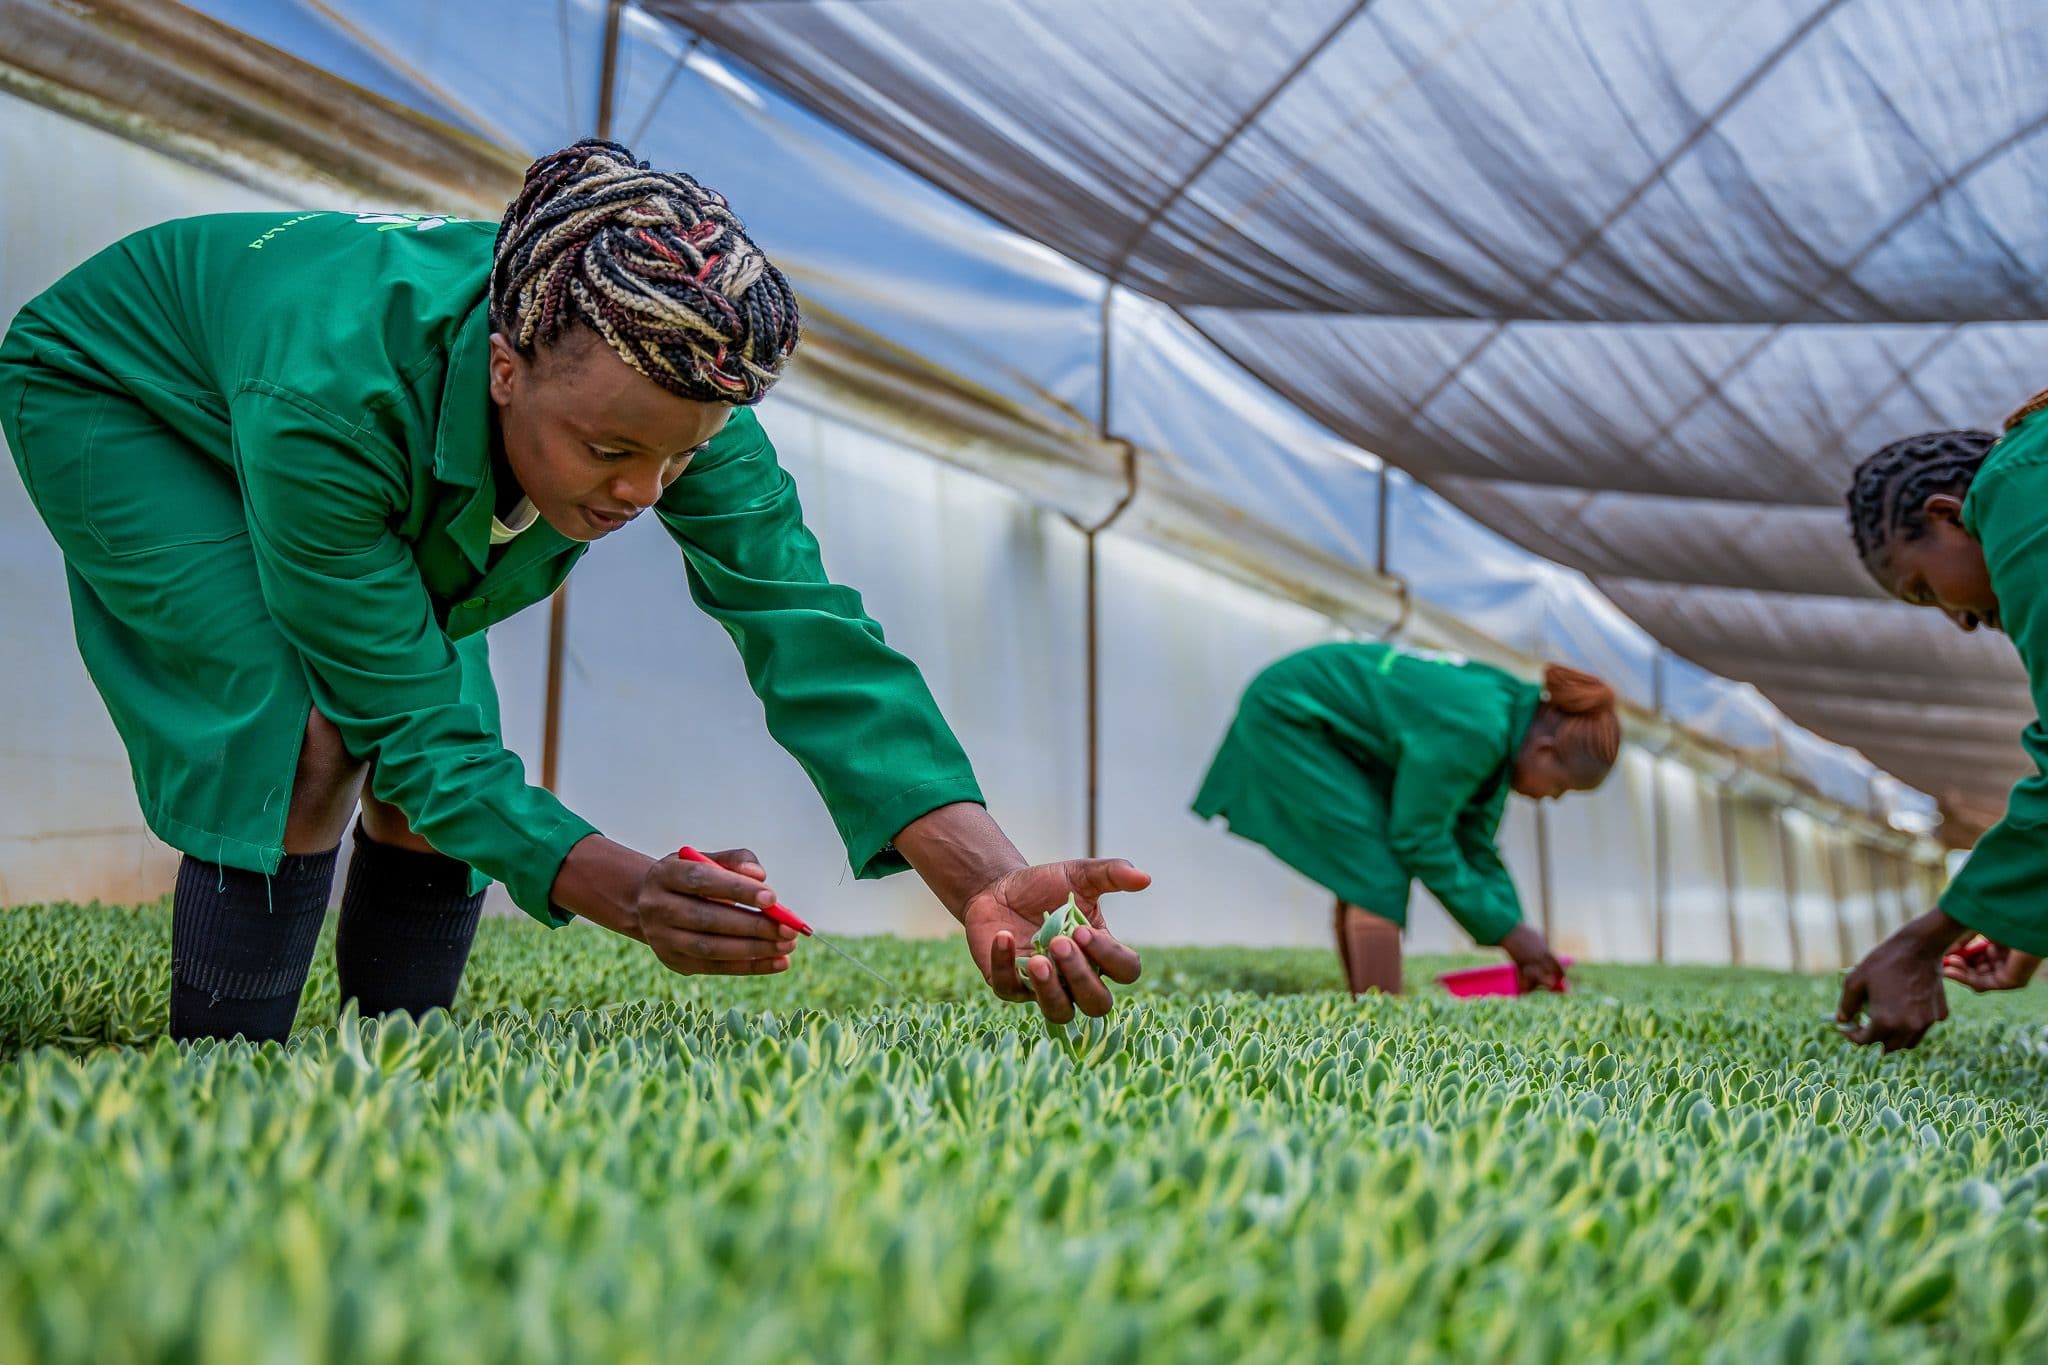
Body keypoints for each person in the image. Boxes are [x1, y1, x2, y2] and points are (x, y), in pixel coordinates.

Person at [0, 139, 1147, 1043]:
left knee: (442, 746)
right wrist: (619, 887)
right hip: (126, 399)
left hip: (323, 414)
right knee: (313, 729)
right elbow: (401, 722)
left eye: (677, 460)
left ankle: (394, 1059)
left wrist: (986, 878)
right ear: (506, 368)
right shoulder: (332, 403)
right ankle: (226, 1083)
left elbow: (807, 627)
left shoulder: (679, 395)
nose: (644, 492)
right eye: (608, 452)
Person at [1192, 641, 1619, 995]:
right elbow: (1419, 838)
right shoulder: (1478, 729)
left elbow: (1476, 842)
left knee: (1372, 864)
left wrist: (1518, 930)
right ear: (1544, 753)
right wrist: (1508, 933)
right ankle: (1382, 1023)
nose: (1551, 799)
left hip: (1318, 719)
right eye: (1560, 788)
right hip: (1291, 714)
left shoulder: (1507, 719)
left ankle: (1366, 998)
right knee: (1378, 869)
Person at [1836, 416, 2048, 1051]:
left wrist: (1921, 942)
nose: (1959, 621)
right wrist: (2024, 923)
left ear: (1949, 515)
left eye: (1925, 589)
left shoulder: (2020, 493)